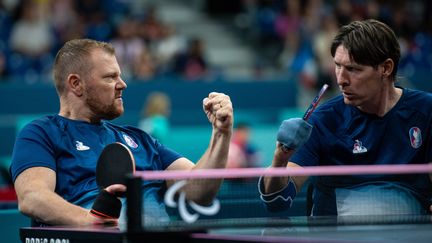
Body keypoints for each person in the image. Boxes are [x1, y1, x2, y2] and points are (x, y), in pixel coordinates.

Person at [9, 39, 233, 226]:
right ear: (76, 84)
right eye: (110, 77)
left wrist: (221, 133)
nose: (122, 84)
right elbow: (32, 197)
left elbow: (199, 191)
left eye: (120, 75)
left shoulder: (140, 139)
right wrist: (92, 221)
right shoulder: (41, 133)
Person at [259, 19, 432, 216]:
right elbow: (278, 201)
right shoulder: (323, 121)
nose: (341, 80)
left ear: (386, 68)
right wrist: (279, 158)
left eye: (353, 69)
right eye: (337, 66)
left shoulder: (426, 111)